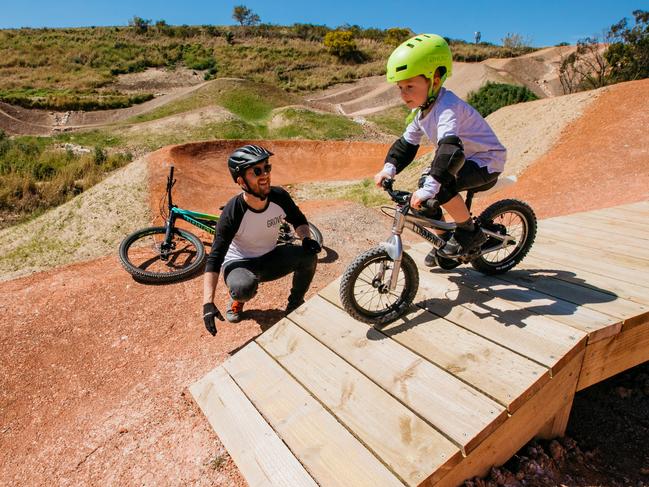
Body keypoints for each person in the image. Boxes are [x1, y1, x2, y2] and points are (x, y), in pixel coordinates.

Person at [374, 34, 506, 267]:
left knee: (439, 187)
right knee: (426, 195)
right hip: (463, 160)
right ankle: (445, 245)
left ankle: (469, 233)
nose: (404, 94)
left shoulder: (447, 108)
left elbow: (450, 149)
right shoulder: (421, 112)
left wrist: (432, 187)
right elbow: (406, 144)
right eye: (400, 87)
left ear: (435, 80)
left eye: (410, 86)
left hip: (486, 161)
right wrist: (389, 169)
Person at [202, 144, 321, 336]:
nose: (264, 174)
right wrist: (208, 303)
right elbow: (214, 259)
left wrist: (306, 238)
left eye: (267, 167)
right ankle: (237, 300)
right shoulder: (233, 212)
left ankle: (295, 304)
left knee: (308, 257)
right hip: (240, 263)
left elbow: (298, 220)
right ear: (241, 181)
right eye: (256, 171)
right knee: (244, 287)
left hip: (270, 256)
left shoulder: (279, 196)